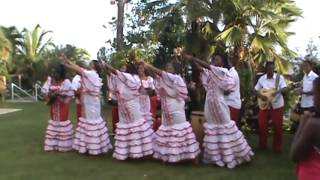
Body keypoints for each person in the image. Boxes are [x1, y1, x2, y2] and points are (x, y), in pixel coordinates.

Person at [183, 53, 253, 168]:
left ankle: (232, 156)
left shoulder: (222, 72)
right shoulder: (211, 72)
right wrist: (191, 61)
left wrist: (193, 58)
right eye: (214, 58)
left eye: (218, 57)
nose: (215, 59)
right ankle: (215, 158)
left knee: (225, 126)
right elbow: (202, 68)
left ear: (223, 61)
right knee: (213, 128)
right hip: (209, 104)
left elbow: (208, 67)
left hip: (219, 103)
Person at [143, 61, 200, 163]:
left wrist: (148, 65)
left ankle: (188, 155)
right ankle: (168, 156)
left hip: (175, 106)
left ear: (175, 69)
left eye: (170, 67)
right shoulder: (165, 80)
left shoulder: (176, 78)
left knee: (178, 130)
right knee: (167, 130)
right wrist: (147, 68)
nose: (167, 69)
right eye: (167, 67)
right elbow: (157, 76)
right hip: (166, 108)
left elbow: (160, 73)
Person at [63, 56, 112, 155]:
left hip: (90, 101)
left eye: (91, 63)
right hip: (91, 100)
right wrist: (69, 62)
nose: (89, 64)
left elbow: (78, 69)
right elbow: (79, 68)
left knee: (91, 122)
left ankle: (93, 147)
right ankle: (91, 145)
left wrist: (67, 63)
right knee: (92, 121)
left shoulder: (91, 74)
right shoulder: (94, 75)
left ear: (94, 66)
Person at [105, 62, 154, 160]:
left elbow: (116, 73)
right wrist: (106, 69)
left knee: (135, 127)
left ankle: (139, 152)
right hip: (123, 106)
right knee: (125, 128)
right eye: (121, 67)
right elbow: (112, 76)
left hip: (132, 104)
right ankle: (126, 152)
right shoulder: (120, 77)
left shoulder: (131, 77)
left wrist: (108, 66)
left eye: (124, 67)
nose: (121, 69)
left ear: (128, 70)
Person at [291, 77, 320, 180]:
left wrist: (302, 124)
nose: (313, 98)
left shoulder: (314, 125)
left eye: (315, 94)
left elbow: (295, 155)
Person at [255, 61, 287, 153]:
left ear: (274, 69)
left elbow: (285, 88)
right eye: (269, 68)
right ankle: (263, 145)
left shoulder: (279, 78)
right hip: (265, 106)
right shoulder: (262, 79)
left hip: (277, 105)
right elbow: (255, 90)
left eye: (272, 68)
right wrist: (261, 96)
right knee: (262, 125)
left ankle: (277, 147)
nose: (271, 70)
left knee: (277, 127)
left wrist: (276, 92)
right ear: (266, 69)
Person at [41, 64, 74, 152]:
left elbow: (70, 95)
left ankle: (63, 146)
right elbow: (44, 92)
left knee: (62, 123)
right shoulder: (50, 80)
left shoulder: (66, 82)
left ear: (61, 73)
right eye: (53, 72)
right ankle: (53, 144)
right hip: (53, 105)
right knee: (54, 122)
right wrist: (49, 97)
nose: (54, 74)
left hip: (63, 105)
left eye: (56, 73)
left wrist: (60, 95)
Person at [224, 59, 242, 128]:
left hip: (231, 104)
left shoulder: (232, 74)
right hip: (228, 104)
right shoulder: (228, 73)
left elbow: (227, 91)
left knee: (230, 128)